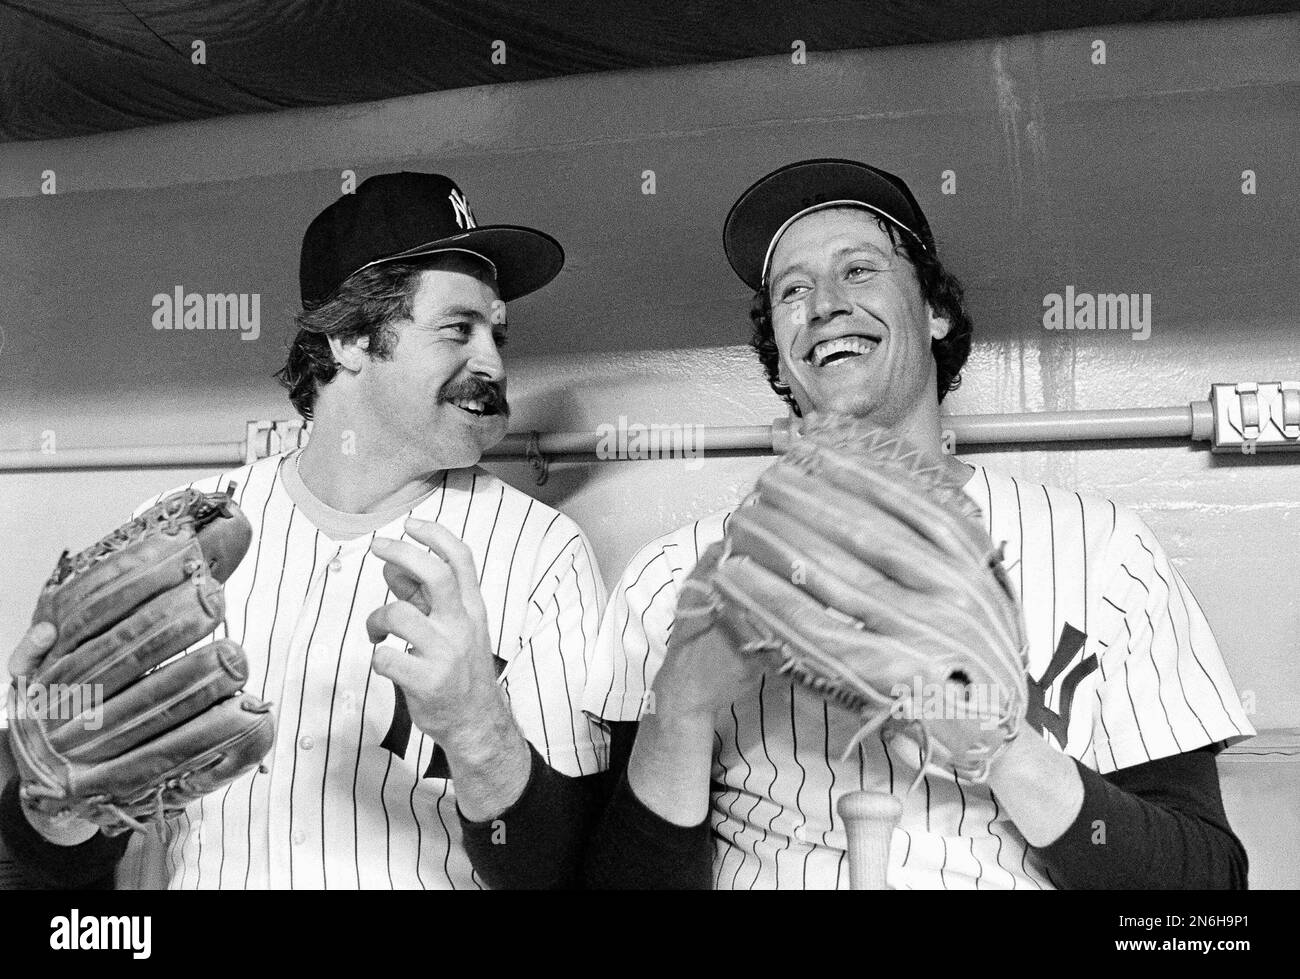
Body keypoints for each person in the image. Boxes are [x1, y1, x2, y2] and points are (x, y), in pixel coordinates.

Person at [579, 159, 1255, 889]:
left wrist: (999, 744)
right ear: (779, 356)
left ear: (935, 310)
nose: (825, 305)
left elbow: (1206, 906)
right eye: (793, 290)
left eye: (860, 270)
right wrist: (679, 710)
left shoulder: (1104, 555)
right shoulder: (671, 579)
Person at [1, 171, 609, 890]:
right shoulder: (176, 533)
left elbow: (571, 868)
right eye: (458, 330)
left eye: (496, 334)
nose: (493, 362)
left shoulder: (541, 554)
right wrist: (55, 798)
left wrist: (480, 730)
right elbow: (69, 850)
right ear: (350, 337)